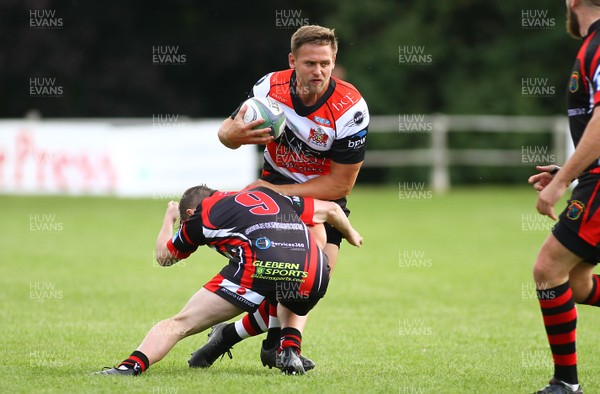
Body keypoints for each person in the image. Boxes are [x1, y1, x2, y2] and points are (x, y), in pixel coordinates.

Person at [188, 24, 369, 371]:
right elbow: (226, 132)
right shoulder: (269, 88)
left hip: (317, 195)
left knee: (316, 278)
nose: (318, 71)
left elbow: (340, 185)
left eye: (325, 64)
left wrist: (276, 192)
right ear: (292, 61)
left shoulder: (350, 109)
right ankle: (285, 348)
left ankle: (230, 338)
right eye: (309, 63)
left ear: (334, 62)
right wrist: (233, 136)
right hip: (272, 192)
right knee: (300, 275)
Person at [94, 185, 362, 376]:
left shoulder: (201, 216)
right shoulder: (265, 193)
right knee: (283, 285)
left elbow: (164, 257)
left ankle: (129, 367)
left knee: (181, 323)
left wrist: (169, 219)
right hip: (315, 275)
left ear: (190, 212)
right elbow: (331, 212)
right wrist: (351, 235)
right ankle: (286, 345)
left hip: (260, 265)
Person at [528, 1, 600, 393]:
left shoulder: (599, 45)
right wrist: (570, 172)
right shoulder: (591, 45)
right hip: (594, 178)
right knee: (576, 281)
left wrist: (562, 182)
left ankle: (566, 384)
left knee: (547, 269)